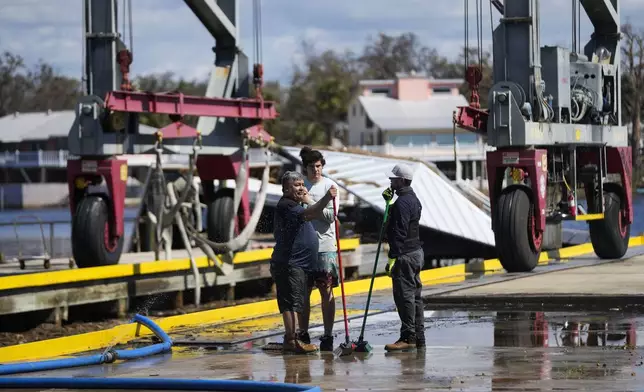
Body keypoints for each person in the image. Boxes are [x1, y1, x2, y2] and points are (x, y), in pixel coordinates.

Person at [271, 170, 337, 354]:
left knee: (297, 301)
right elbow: (313, 212)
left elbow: (311, 214)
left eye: (302, 184)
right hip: (289, 263)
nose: (301, 188)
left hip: (298, 264)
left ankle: (293, 338)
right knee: (290, 303)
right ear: (285, 189)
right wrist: (325, 199)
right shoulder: (287, 205)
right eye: (296, 185)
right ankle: (291, 340)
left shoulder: (295, 205)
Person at [296, 147, 339, 351]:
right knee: (303, 293)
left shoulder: (330, 186)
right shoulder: (299, 187)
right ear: (305, 169)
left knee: (326, 291)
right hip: (304, 249)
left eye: (319, 166)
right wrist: (314, 207)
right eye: (312, 167)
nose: (316, 170)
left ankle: (328, 334)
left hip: (325, 247)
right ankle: (303, 333)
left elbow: (330, 217)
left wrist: (310, 202)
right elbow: (300, 216)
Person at [381, 163, 425, 351]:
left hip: (405, 255)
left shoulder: (402, 203)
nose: (390, 181)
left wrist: (393, 258)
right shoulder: (413, 199)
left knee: (404, 296)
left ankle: (408, 337)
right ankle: (418, 335)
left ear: (401, 180)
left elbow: (398, 231)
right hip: (416, 252)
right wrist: (388, 204)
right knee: (415, 297)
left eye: (393, 179)